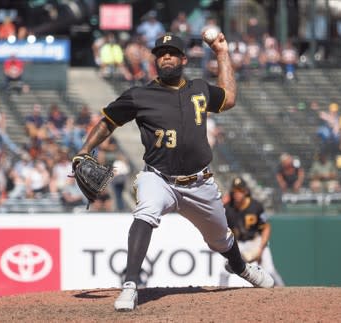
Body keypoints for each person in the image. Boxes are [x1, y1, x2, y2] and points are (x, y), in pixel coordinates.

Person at [72, 33, 274, 312]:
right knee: (145, 212)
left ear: (183, 59)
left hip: (199, 181)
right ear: (155, 60)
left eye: (172, 52)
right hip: (159, 177)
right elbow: (108, 123)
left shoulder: (200, 88)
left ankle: (240, 267)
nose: (166, 56)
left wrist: (221, 53)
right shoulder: (139, 95)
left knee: (221, 239)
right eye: (161, 53)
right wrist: (84, 150)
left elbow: (228, 100)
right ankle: (130, 285)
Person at [220, 177, 285, 287]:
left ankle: (286, 292)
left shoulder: (256, 206)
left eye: (240, 190)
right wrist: (221, 203)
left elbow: (266, 228)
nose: (237, 194)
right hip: (238, 243)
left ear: (245, 191)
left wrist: (260, 249)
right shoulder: (228, 208)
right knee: (224, 272)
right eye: (235, 191)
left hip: (256, 241)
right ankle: (220, 297)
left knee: (270, 271)